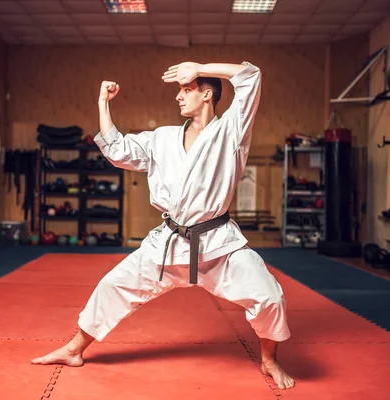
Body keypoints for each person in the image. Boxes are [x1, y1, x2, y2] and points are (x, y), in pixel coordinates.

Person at [31, 61, 295, 390]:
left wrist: (199, 66)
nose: (179, 97)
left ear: (207, 94)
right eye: (180, 91)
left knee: (269, 295)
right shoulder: (162, 138)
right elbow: (118, 151)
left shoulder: (231, 131)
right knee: (113, 287)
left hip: (218, 245)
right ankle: (74, 350)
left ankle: (269, 359)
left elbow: (250, 76)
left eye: (187, 90)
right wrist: (103, 103)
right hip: (169, 242)